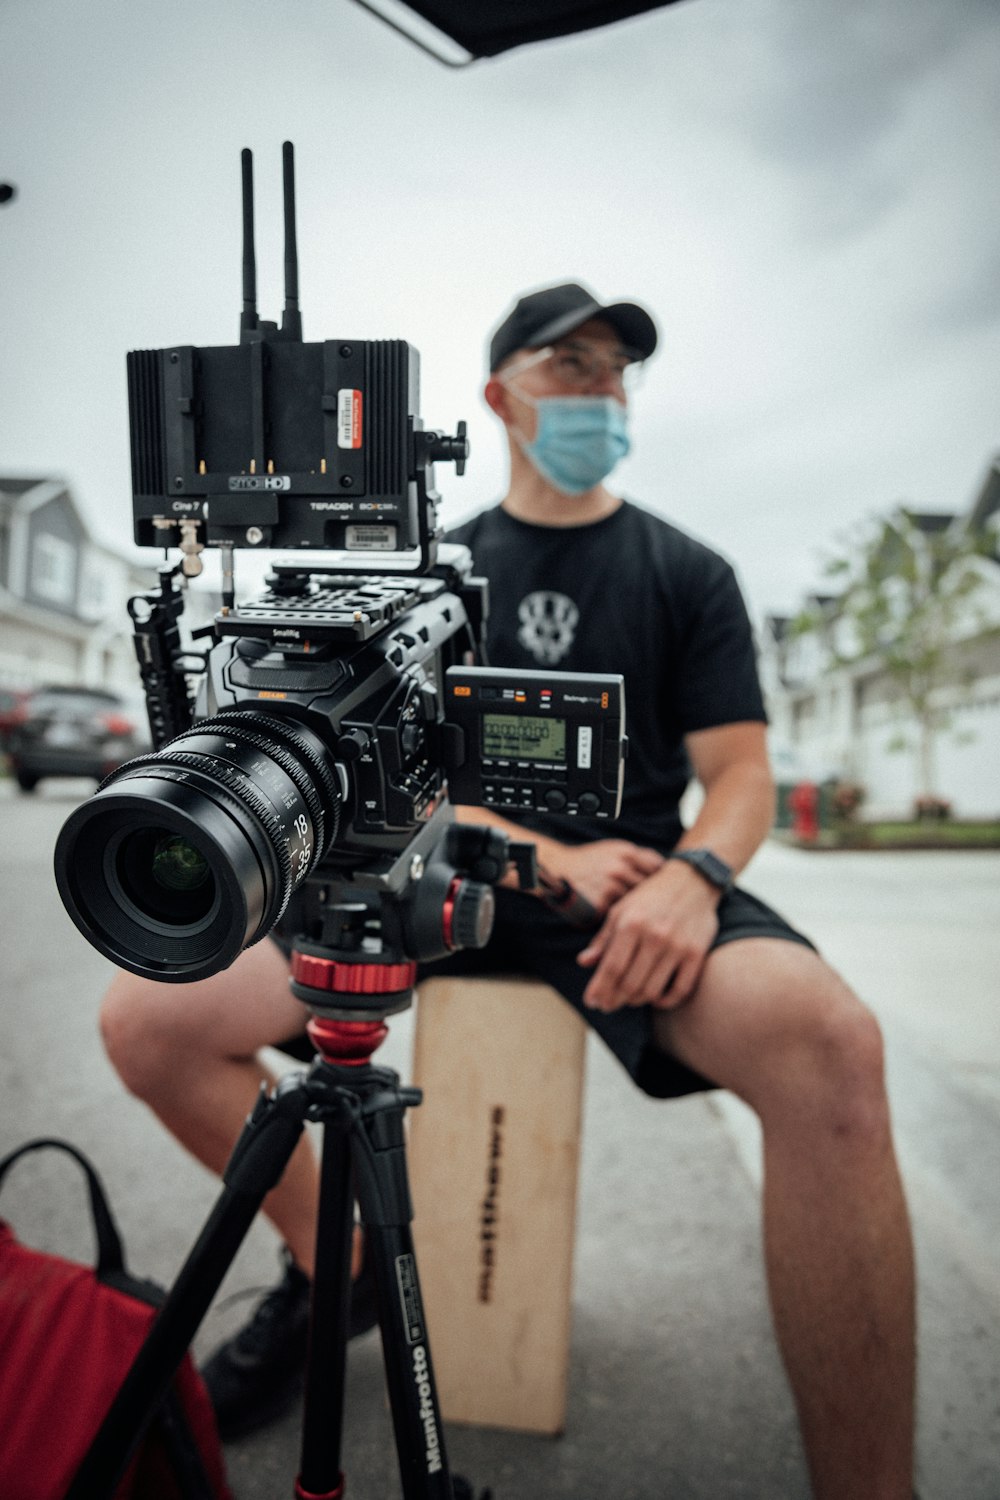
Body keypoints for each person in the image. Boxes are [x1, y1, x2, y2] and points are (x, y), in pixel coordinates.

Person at [100, 281, 916, 1497]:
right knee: (148, 1021)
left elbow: (740, 771)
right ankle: (344, 1266)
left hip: (622, 899)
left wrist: (692, 879)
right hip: (422, 872)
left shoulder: (687, 571)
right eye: (570, 365)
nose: (601, 390)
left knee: (830, 1044)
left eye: (616, 371)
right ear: (499, 395)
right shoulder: (427, 573)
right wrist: (518, 842)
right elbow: (366, 758)